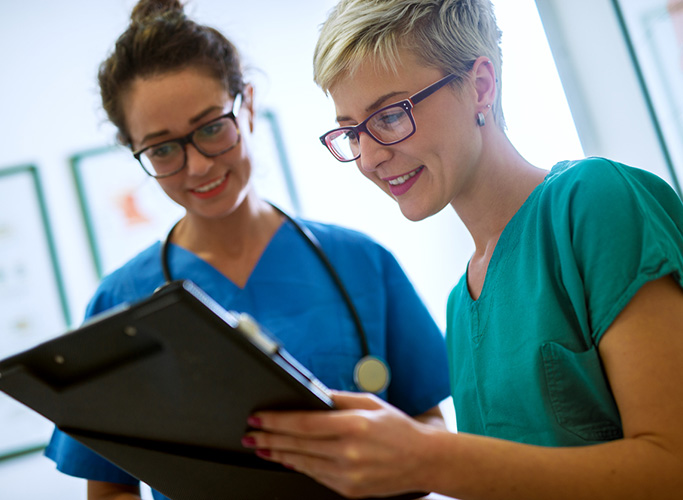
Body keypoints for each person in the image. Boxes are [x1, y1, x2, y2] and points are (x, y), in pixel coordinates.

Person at [242, 0, 683, 498]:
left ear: (480, 86)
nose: (368, 157)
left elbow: (673, 466)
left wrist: (427, 456)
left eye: (389, 115)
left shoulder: (594, 201)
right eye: (351, 130)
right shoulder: (463, 297)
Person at [44, 1, 452, 499]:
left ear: (248, 105)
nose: (196, 166)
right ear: (137, 151)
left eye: (211, 127)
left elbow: (429, 428)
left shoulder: (361, 262)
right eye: (163, 149)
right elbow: (110, 488)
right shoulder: (120, 304)